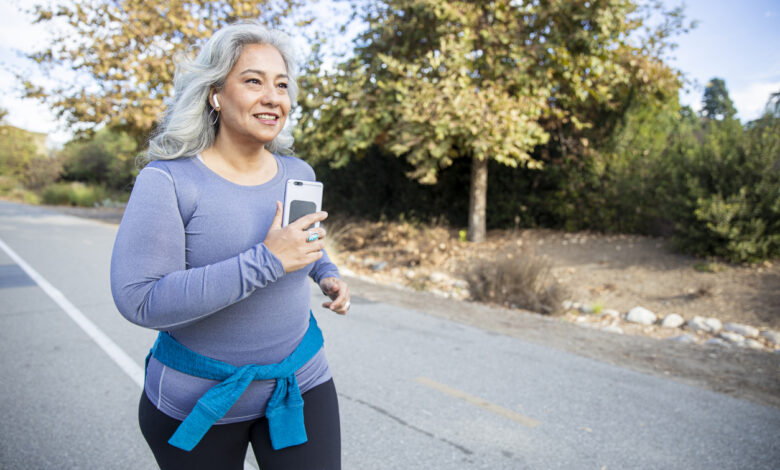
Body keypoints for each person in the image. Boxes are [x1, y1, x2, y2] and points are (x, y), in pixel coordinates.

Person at [110, 21, 349, 470]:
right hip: (198, 401)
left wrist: (326, 272)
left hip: (298, 383)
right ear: (215, 94)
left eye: (281, 84)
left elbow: (304, 239)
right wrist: (266, 261)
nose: (273, 96)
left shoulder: (299, 172)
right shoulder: (168, 180)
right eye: (253, 81)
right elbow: (140, 300)